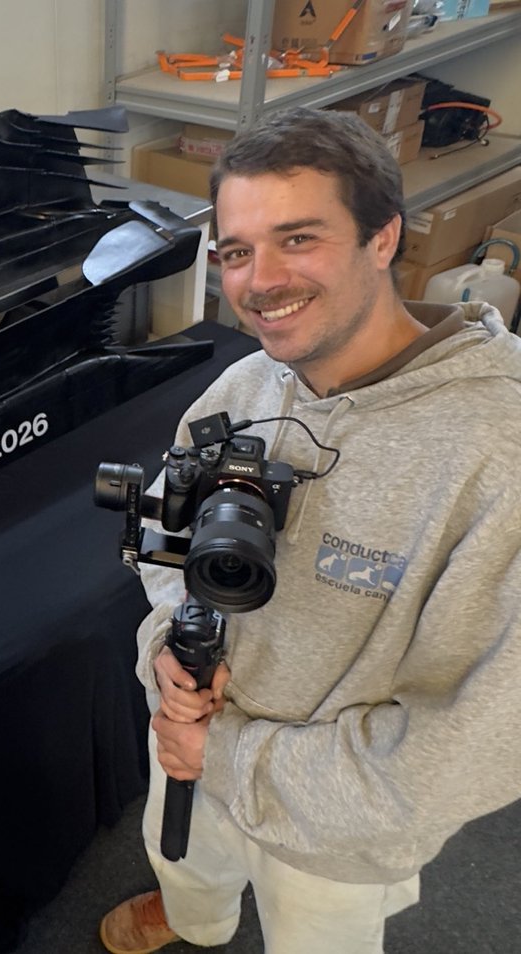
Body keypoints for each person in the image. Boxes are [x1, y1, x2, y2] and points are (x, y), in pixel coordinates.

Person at [99, 107, 521, 954]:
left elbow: (475, 743)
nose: (260, 281)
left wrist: (227, 754)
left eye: (298, 239)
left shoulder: (495, 454)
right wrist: (169, 646)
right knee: (185, 862)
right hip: (190, 743)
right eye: (237, 251)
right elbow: (169, 548)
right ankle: (196, 917)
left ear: (383, 237)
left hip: (335, 833)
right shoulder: (245, 386)